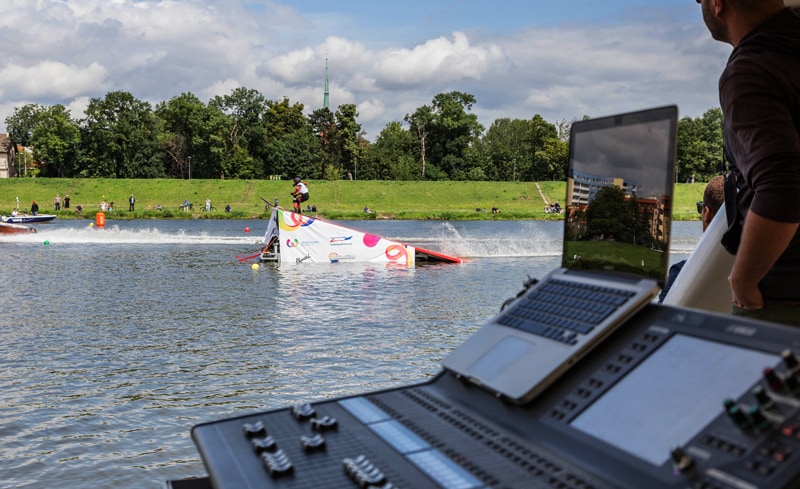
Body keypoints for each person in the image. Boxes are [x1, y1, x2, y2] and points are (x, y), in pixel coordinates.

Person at [697, 0, 800, 325]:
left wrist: (743, 279)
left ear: (717, 4)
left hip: (786, 295)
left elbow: (783, 188)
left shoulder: (750, 70)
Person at [658, 176, 725, 303]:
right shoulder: (760, 274)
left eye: (700, 208)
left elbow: (660, 313)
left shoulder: (681, 273)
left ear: (706, 214)